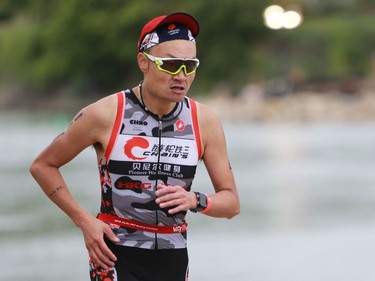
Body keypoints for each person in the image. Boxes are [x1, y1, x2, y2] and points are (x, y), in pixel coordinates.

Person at [30, 12, 240, 281]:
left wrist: (195, 200)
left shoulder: (204, 121)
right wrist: (84, 221)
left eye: (190, 65)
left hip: (173, 257)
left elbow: (232, 203)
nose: (181, 75)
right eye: (171, 64)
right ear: (144, 62)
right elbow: (43, 165)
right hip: (115, 254)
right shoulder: (105, 114)